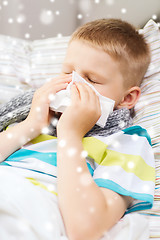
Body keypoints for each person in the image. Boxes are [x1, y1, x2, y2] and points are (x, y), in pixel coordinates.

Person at [0, 18, 155, 240]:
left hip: (32, 207)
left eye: (92, 80)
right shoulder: (34, 120)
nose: (73, 85)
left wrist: (70, 135)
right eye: (67, 73)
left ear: (127, 97)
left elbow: (85, 229)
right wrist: (30, 125)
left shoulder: (128, 142)